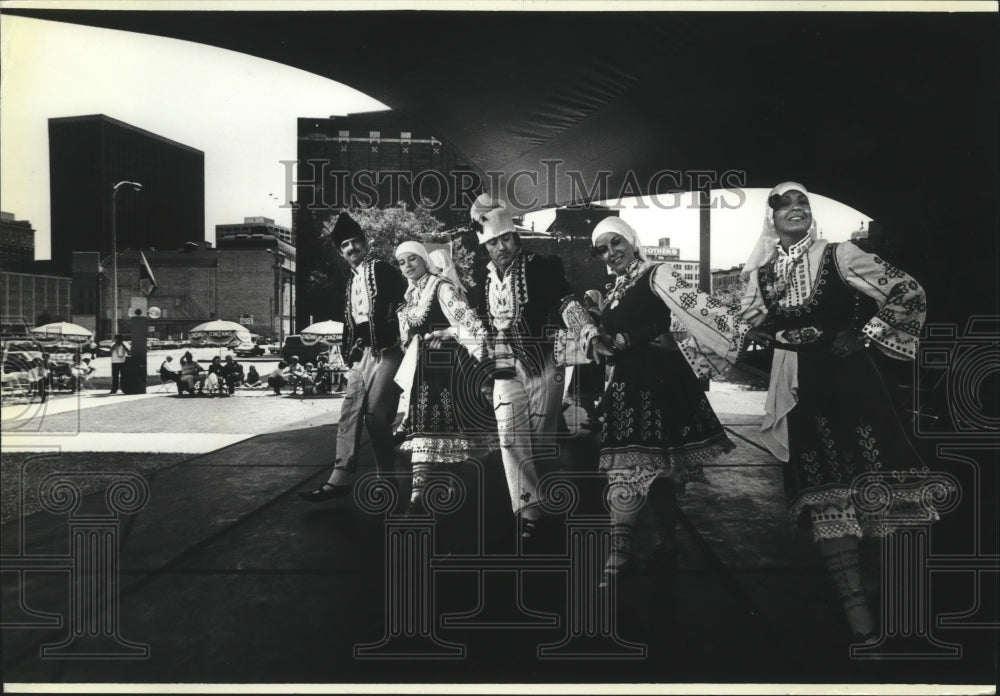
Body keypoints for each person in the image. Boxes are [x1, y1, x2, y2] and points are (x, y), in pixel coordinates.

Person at [734, 181, 941, 644]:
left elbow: (908, 292)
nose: (794, 208)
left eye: (801, 202)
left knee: (877, 485)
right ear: (770, 219)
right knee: (826, 490)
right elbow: (752, 322)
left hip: (856, 386)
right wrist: (779, 340)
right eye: (783, 204)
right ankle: (856, 609)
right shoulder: (762, 274)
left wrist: (864, 334)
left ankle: (886, 593)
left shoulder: (840, 254)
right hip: (806, 393)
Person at [589, 217, 737, 587]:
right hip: (627, 386)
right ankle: (624, 550)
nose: (611, 253)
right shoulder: (618, 286)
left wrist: (679, 342)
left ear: (632, 241)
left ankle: (650, 544)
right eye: (603, 249)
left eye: (616, 243)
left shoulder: (658, 273)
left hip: (660, 384)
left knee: (659, 472)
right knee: (629, 468)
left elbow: (698, 312)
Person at [471, 194, 601, 542]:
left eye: (506, 239)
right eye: (493, 242)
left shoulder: (541, 265)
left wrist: (587, 331)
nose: (501, 247)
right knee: (510, 438)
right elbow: (472, 319)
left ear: (516, 237)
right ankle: (530, 508)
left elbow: (566, 301)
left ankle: (548, 497)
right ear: (485, 247)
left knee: (541, 442)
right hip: (505, 366)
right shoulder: (482, 280)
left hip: (544, 363)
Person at [299, 212, 408, 502]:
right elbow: (350, 321)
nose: (351, 249)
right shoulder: (349, 282)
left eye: (354, 242)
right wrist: (350, 351)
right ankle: (340, 478)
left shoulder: (382, 269)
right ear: (340, 251)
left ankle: (388, 478)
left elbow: (403, 301)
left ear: (365, 243)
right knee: (348, 413)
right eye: (344, 245)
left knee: (375, 416)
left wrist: (391, 328)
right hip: (362, 355)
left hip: (388, 349)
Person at [391, 241, 493, 517]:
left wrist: (445, 334)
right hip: (422, 370)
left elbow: (472, 324)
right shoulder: (409, 298)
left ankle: (448, 484)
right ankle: (418, 493)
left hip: (448, 368)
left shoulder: (441, 287)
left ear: (424, 260)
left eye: (412, 259)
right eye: (402, 262)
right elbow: (406, 340)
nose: (407, 265)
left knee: (446, 427)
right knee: (422, 428)